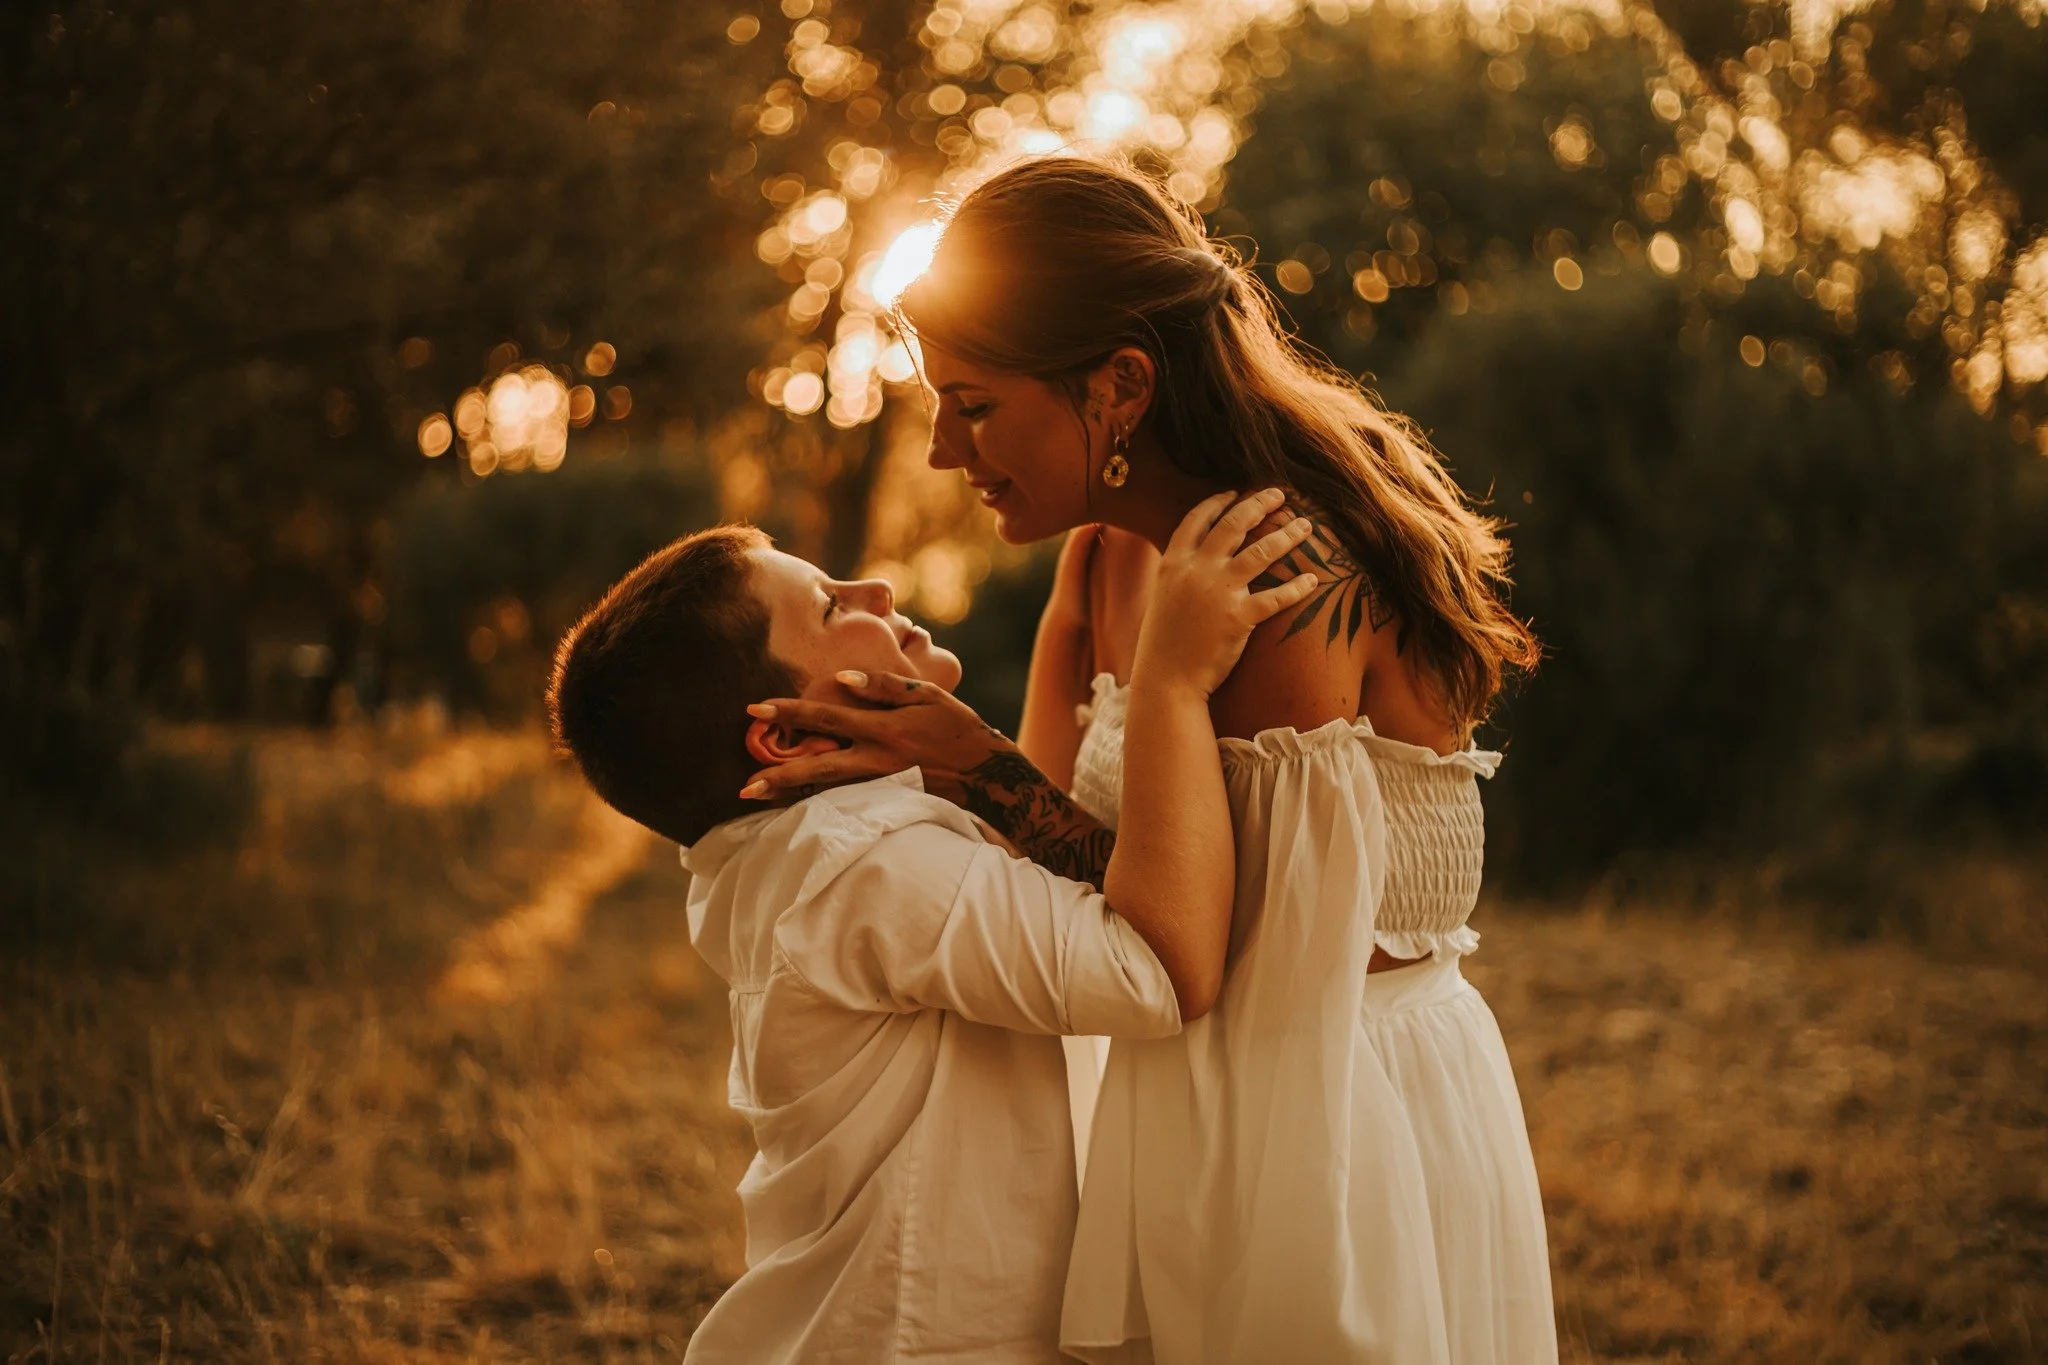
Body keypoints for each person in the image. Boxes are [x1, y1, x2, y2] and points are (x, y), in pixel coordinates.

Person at [740, 155, 1557, 1363]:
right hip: (1172, 1100)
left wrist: (974, 758)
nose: (939, 455)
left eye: (971, 405)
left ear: (1119, 386)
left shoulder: (1286, 582)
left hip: (1329, 1123)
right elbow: (1077, 888)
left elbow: (1207, 951)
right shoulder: (1101, 558)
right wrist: (927, 764)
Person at [545, 493, 1320, 1364]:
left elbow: (1038, 849)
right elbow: (1158, 973)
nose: (875, 586)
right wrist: (1171, 675)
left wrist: (1067, 629)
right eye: (834, 606)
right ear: (787, 735)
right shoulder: (863, 866)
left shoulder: (788, 852)